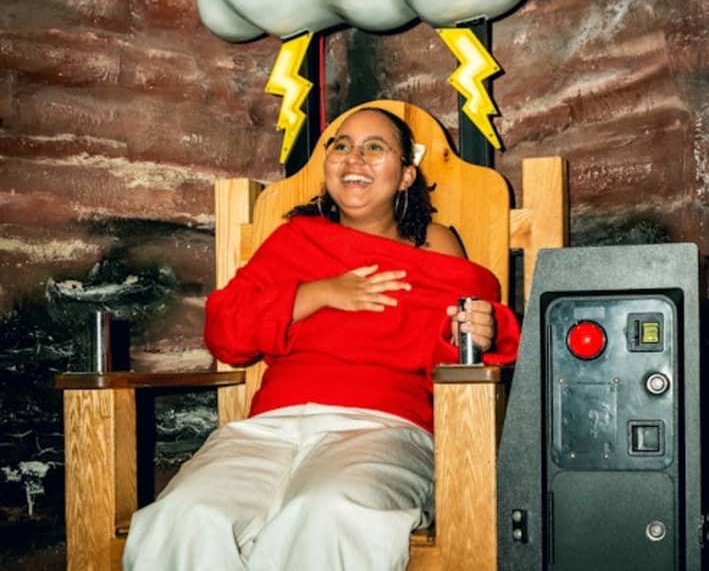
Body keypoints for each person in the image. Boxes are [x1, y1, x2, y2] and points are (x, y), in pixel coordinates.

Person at [123, 107, 520, 571]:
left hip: (381, 428)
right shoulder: (295, 241)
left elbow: (458, 344)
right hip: (268, 431)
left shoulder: (436, 247)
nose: (354, 158)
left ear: (406, 175)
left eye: (375, 147)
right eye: (341, 146)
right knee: (185, 516)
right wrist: (320, 293)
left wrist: (471, 333)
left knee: (326, 511)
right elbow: (226, 334)